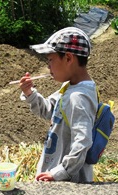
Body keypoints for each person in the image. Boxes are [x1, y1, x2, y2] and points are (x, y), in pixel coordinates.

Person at [19, 27, 98, 183]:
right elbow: (49, 110)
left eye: (50, 59)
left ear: (68, 58)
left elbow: (83, 141)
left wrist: (61, 172)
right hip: (56, 173)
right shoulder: (70, 88)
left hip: (67, 181)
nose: (48, 66)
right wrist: (30, 93)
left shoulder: (78, 97)